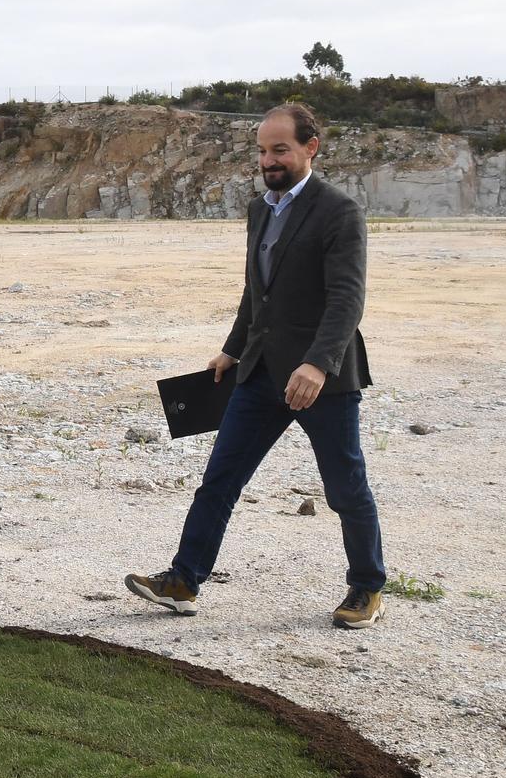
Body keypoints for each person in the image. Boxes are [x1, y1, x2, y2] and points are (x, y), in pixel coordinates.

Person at [126, 103, 387, 628]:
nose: (269, 160)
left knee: (344, 488)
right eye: (263, 151)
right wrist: (233, 347)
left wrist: (317, 365)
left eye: (280, 150)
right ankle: (183, 581)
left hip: (323, 382)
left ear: (311, 147)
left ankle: (366, 587)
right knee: (219, 479)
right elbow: (256, 293)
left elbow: (346, 301)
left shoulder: (340, 212)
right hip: (261, 373)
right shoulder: (259, 209)